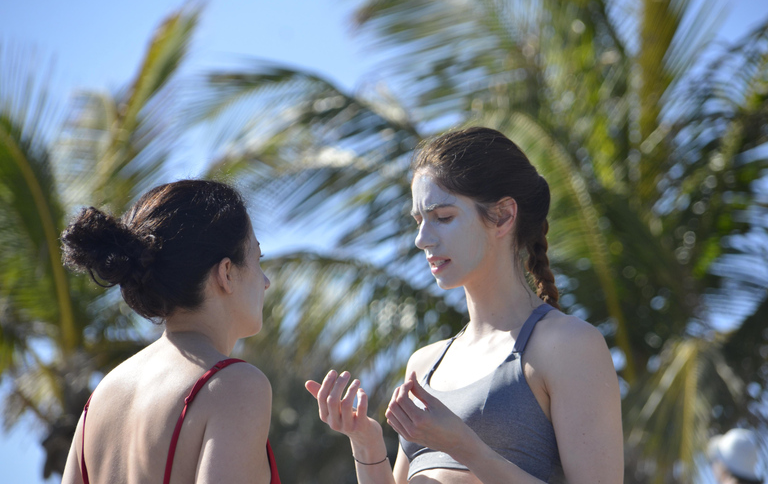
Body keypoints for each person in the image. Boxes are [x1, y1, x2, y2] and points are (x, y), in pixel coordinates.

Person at [306, 127, 623, 483]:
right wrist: (365, 443)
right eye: (418, 221)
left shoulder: (567, 345)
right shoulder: (424, 364)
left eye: (443, 217)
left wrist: (464, 446)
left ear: (503, 216)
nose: (422, 239)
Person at [60, 179, 280, 484]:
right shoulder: (234, 386)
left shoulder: (100, 400)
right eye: (258, 259)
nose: (266, 281)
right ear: (226, 273)